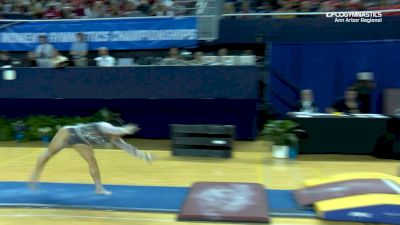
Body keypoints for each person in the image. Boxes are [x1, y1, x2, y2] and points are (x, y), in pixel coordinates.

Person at [29, 122, 153, 195]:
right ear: (116, 132)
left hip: (81, 141)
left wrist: (145, 156)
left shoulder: (116, 139)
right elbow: (118, 129)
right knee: (49, 153)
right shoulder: (106, 127)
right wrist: (127, 129)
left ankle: (99, 188)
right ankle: (34, 176)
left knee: (92, 160)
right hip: (69, 132)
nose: (117, 139)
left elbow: (129, 149)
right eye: (118, 135)